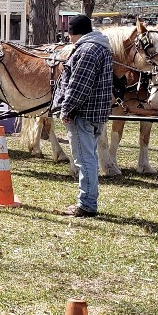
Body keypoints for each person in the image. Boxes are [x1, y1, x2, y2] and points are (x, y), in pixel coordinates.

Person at [52, 14, 113, 218]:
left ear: (73, 33)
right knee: (89, 157)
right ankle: (88, 200)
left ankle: (86, 204)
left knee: (84, 160)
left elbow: (78, 87)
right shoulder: (101, 47)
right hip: (96, 112)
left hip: (83, 114)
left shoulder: (86, 51)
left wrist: (66, 109)